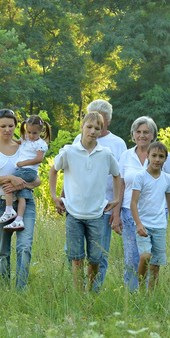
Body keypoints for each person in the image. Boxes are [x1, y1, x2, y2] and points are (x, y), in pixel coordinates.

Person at [49, 111, 124, 291]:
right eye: (89, 127)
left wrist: (115, 199)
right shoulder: (69, 151)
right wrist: (54, 196)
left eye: (97, 128)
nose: (92, 131)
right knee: (76, 257)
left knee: (96, 257)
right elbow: (53, 170)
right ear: (82, 127)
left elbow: (117, 174)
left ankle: (90, 289)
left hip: (97, 213)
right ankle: (78, 292)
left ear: (101, 130)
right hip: (73, 212)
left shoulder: (105, 153)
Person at [113, 116, 170, 292]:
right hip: (129, 212)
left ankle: (149, 293)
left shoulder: (163, 157)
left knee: (151, 257)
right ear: (133, 135)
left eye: (146, 132)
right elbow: (120, 186)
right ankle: (132, 293)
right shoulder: (126, 156)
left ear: (153, 135)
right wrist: (116, 215)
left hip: (156, 213)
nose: (142, 135)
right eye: (138, 132)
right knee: (132, 256)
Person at [0, 109, 41, 290]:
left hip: (25, 203)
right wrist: (9, 178)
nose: (7, 129)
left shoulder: (24, 146)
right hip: (0, 205)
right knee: (3, 252)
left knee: (24, 247)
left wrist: (21, 185)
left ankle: (20, 289)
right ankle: (4, 289)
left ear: (17, 127)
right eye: (3, 126)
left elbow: (36, 179)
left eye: (11, 126)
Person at [71, 99, 126, 290]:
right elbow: (69, 170)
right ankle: (79, 291)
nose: (94, 127)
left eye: (99, 121)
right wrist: (62, 197)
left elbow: (121, 178)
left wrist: (117, 212)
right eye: (90, 120)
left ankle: (95, 291)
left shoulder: (117, 144)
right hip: (78, 206)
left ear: (108, 121)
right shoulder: (78, 140)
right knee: (77, 252)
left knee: (99, 253)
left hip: (105, 207)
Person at [130, 141, 170, 290]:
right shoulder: (140, 177)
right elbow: (133, 202)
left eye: (161, 156)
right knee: (145, 257)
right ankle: (141, 289)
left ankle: (152, 295)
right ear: (148, 157)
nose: (157, 159)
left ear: (165, 159)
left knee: (156, 264)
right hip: (144, 224)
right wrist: (138, 224)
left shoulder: (166, 179)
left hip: (160, 225)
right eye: (154, 156)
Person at [0, 114, 51, 231]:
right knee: (22, 195)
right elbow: (19, 142)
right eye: (29, 132)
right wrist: (5, 139)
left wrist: (24, 163)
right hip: (22, 170)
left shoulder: (40, 144)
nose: (31, 136)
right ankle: (19, 219)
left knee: (7, 181)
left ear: (41, 131)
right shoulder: (26, 139)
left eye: (34, 133)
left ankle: (9, 210)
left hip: (28, 170)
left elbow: (39, 159)